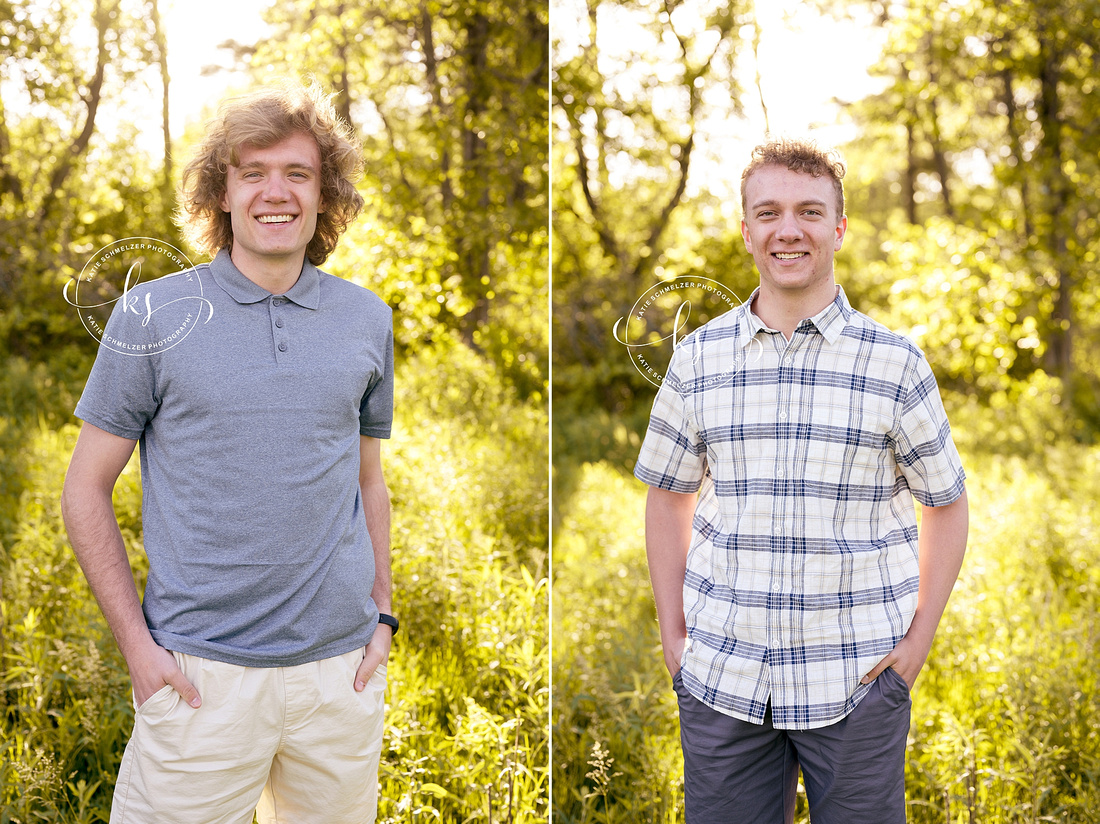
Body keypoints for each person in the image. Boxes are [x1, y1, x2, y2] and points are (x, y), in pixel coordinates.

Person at [61, 80, 395, 823]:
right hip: (198, 679)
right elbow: (84, 491)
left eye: (297, 174)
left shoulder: (365, 318)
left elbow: (368, 481)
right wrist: (140, 656)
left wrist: (383, 616)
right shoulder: (152, 313)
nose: (275, 193)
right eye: (253, 173)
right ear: (221, 192)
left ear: (324, 195)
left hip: (339, 679)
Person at [634, 138, 969, 823]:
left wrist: (916, 647)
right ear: (748, 228)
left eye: (810, 212)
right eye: (770, 212)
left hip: (857, 682)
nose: (789, 229)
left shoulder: (895, 363)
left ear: (838, 227)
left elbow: (948, 505)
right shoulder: (696, 361)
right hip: (722, 680)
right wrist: (676, 641)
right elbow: (668, 496)